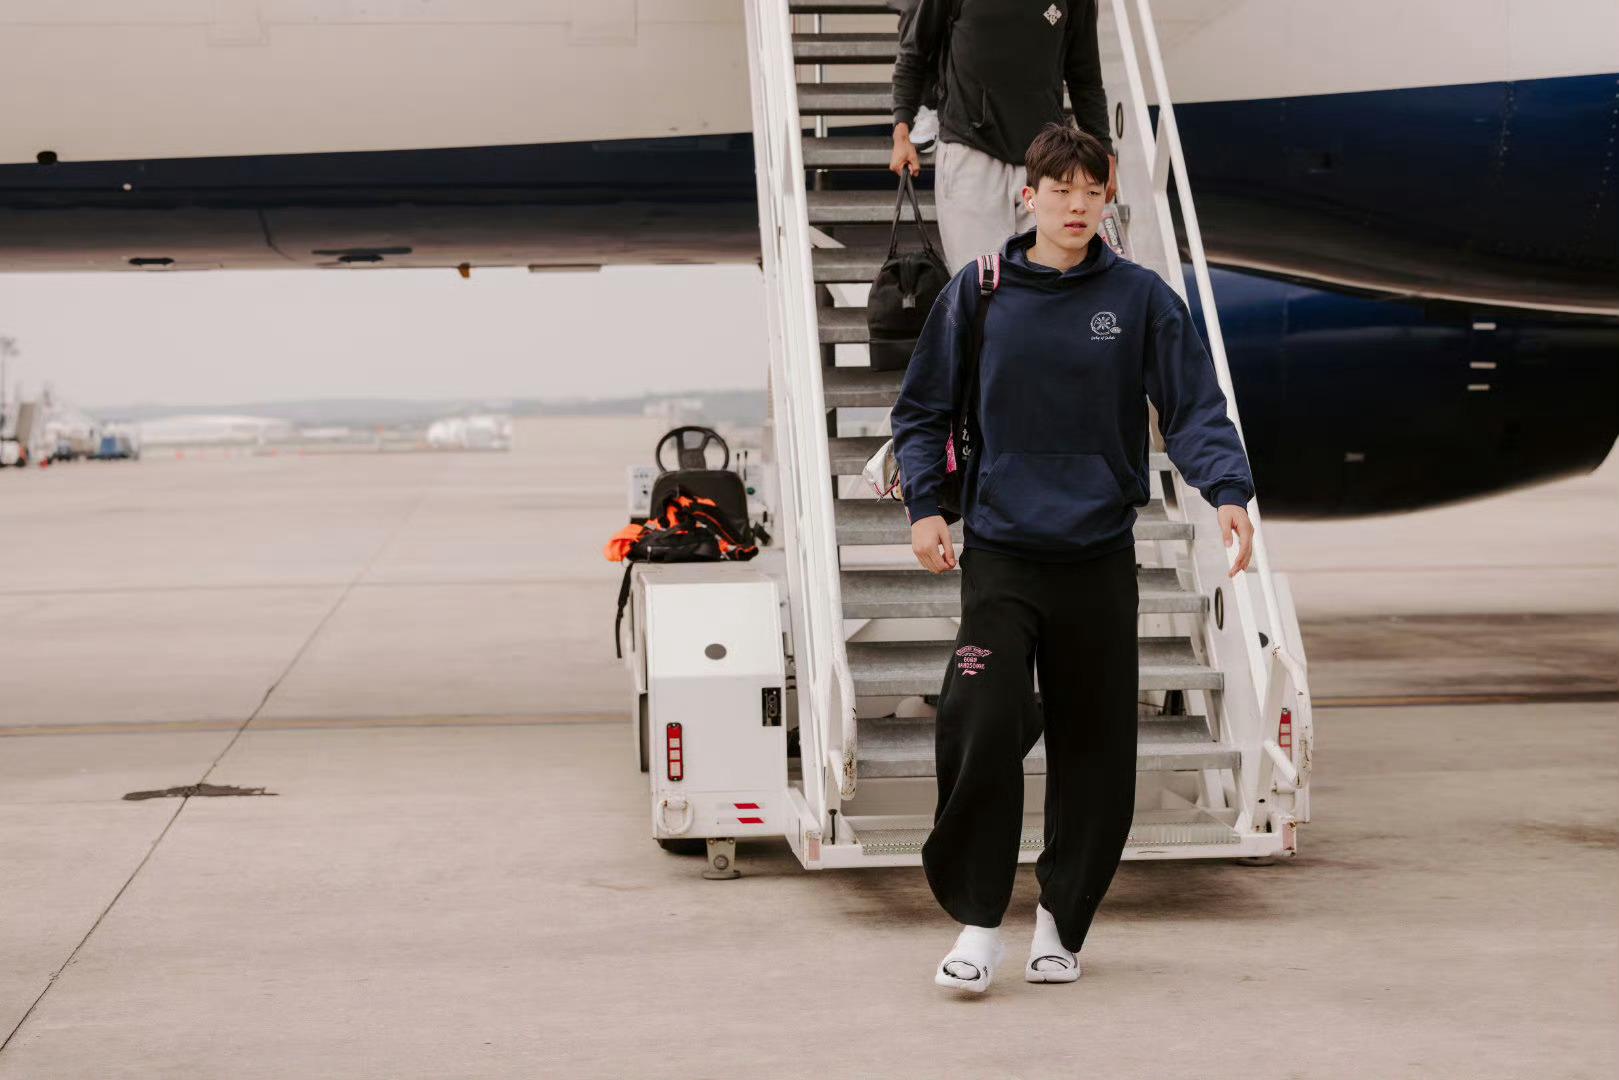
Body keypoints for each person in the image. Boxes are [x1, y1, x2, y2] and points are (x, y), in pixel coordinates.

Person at [888, 123, 1256, 993]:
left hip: (1096, 554)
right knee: (981, 719)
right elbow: (922, 411)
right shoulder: (978, 292)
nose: (1077, 205)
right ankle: (980, 924)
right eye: (1061, 190)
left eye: (1092, 190)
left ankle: (1059, 921)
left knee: (1095, 748)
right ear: (1029, 196)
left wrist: (1227, 489)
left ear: (1107, 199)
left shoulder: (1138, 298)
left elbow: (1192, 406)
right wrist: (924, 505)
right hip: (1002, 551)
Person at [889, 0, 1119, 274]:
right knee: (979, 284)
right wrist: (902, 129)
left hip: (1046, 160)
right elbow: (914, 53)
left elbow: (1085, 77)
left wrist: (1104, 150)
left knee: (1051, 283)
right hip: (970, 153)